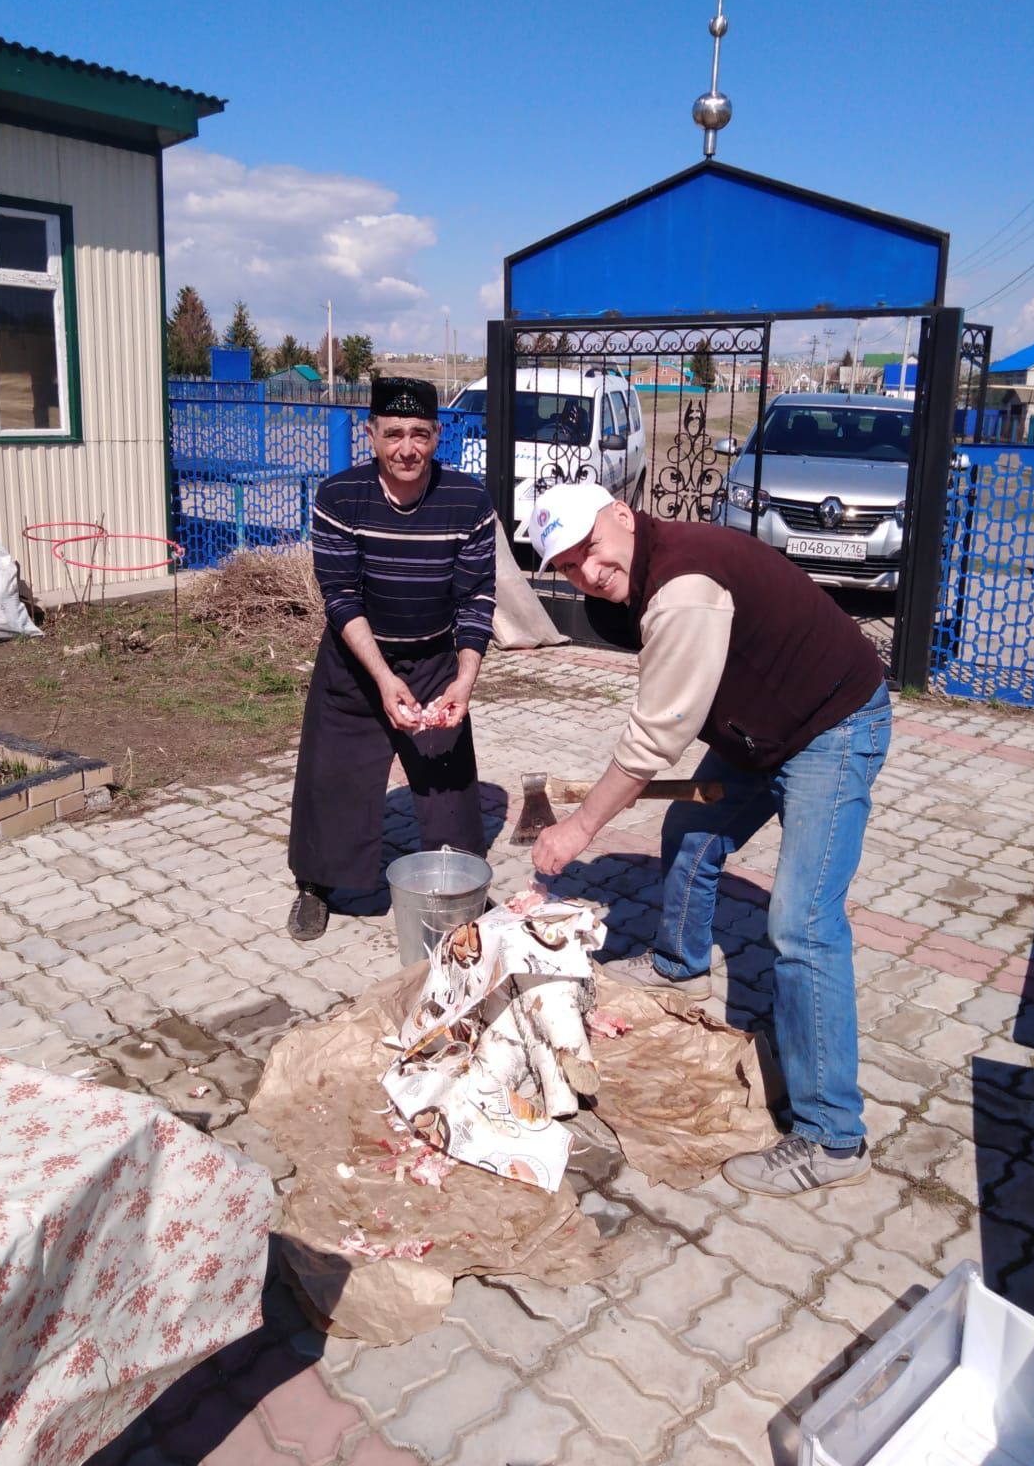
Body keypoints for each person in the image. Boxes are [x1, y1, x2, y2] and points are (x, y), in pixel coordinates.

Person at [526, 482, 891, 1197]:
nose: (587, 576)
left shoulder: (683, 586)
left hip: (832, 728)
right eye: (567, 568)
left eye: (590, 551)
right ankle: (679, 962)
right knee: (691, 827)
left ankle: (833, 1137)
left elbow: (653, 737)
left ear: (623, 516)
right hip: (764, 729)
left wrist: (577, 827)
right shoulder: (647, 568)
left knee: (802, 926)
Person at [287, 376, 495, 939]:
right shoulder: (338, 497)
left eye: (421, 434)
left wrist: (464, 680)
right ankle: (317, 884)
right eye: (395, 433)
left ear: (437, 437)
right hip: (357, 660)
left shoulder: (469, 501)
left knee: (447, 786)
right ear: (371, 434)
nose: (408, 448)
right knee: (333, 776)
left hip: (433, 658)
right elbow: (340, 594)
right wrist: (380, 675)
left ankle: (461, 883)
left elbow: (476, 597)